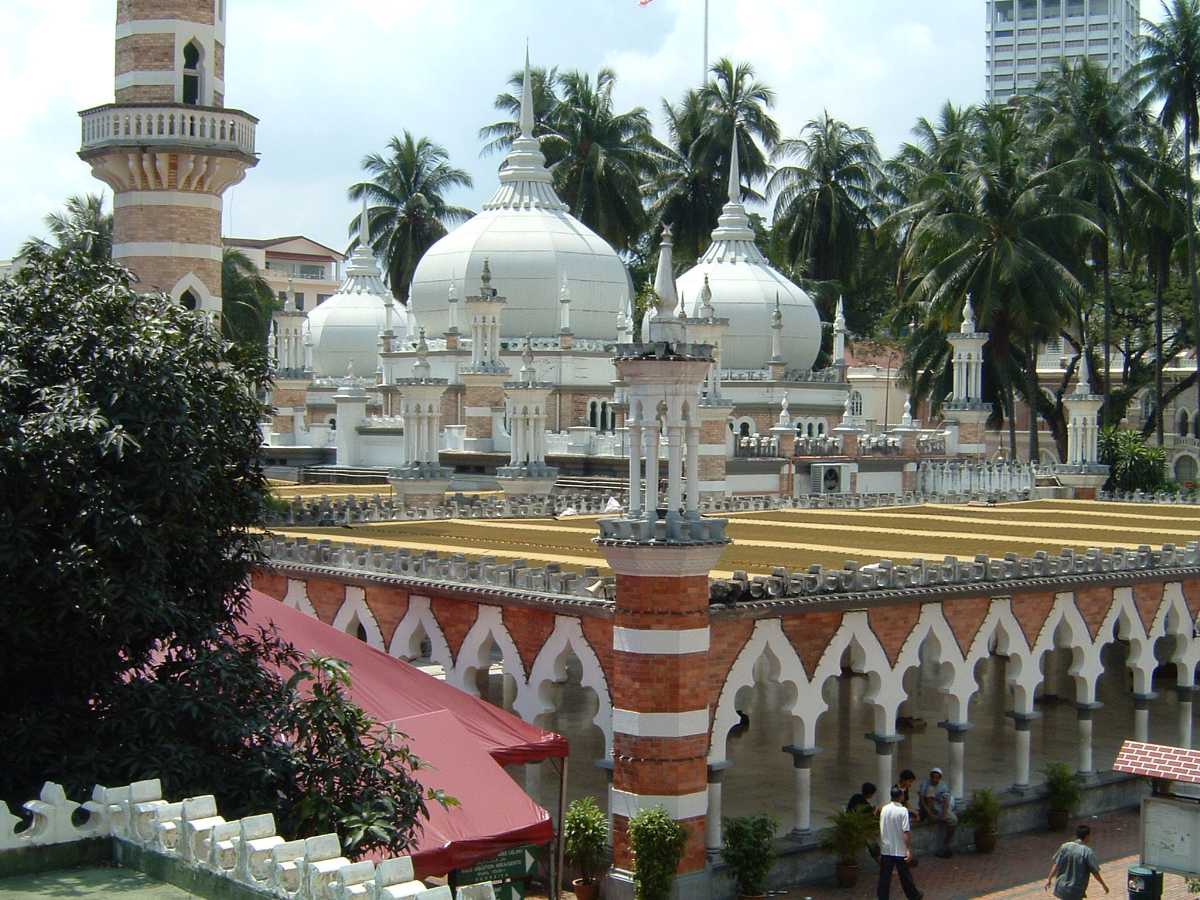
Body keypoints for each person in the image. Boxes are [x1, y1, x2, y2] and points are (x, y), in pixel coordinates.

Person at [878, 786, 923, 900]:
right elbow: (906, 832)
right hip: (899, 849)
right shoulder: (903, 811)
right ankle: (913, 896)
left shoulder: (884, 809)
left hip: (886, 849)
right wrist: (908, 849)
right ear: (901, 797)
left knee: (884, 877)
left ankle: (882, 897)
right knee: (905, 876)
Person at [1045, 825, 1109, 899]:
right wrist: (1103, 885)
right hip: (1075, 890)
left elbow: (1056, 864)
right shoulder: (1087, 852)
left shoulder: (1065, 846)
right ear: (1087, 836)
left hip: (1061, 887)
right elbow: (1095, 872)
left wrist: (1049, 879)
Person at [917, 767, 957, 858]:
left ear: (940, 778)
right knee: (930, 790)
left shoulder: (943, 786)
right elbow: (922, 800)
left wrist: (945, 813)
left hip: (939, 807)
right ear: (930, 777)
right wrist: (929, 813)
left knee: (953, 820)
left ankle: (946, 842)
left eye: (937, 777)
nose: (935, 779)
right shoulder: (925, 784)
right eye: (933, 777)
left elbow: (946, 800)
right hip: (927, 808)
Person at [848, 782, 880, 861]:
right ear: (870, 794)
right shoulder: (866, 805)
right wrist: (875, 811)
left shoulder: (855, 797)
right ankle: (882, 865)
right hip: (859, 830)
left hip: (849, 825)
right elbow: (870, 817)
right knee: (874, 847)